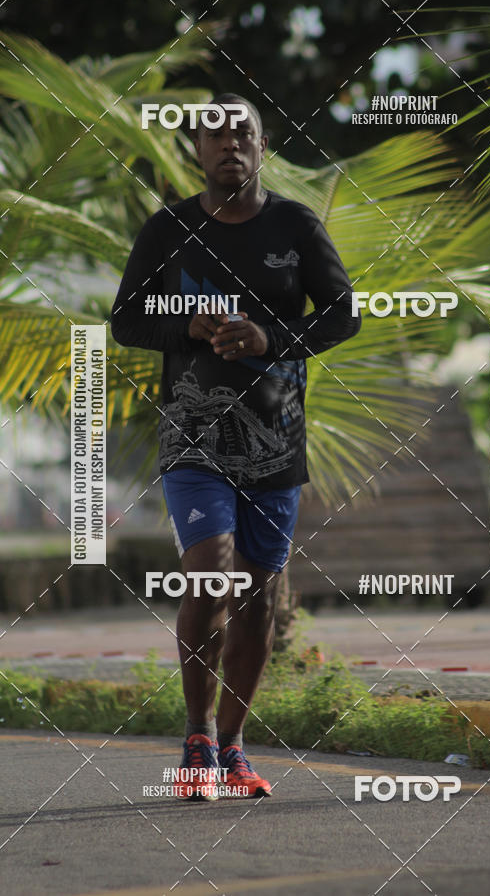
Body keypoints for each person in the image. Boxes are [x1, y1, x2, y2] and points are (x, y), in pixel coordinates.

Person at [111, 93, 360, 801]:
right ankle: (195, 736)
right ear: (196, 149)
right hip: (193, 437)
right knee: (210, 576)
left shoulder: (295, 226)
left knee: (254, 599)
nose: (229, 145)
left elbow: (343, 314)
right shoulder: (168, 230)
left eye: (242, 133)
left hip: (276, 442)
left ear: (262, 144)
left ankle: (232, 747)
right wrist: (186, 327)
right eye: (215, 135)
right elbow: (126, 320)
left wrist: (269, 337)